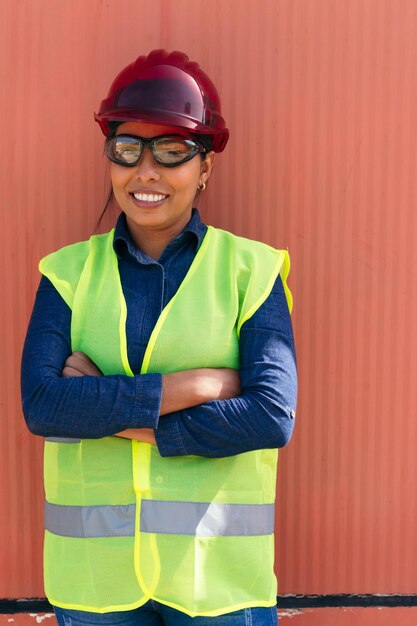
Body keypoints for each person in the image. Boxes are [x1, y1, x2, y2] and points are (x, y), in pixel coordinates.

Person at [21, 49, 297, 626]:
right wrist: (193, 384)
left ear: (205, 167)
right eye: (127, 150)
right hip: (96, 586)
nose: (145, 171)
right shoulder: (67, 274)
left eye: (172, 152)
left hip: (218, 584)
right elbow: (44, 404)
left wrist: (115, 415)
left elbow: (271, 415)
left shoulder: (251, 272)